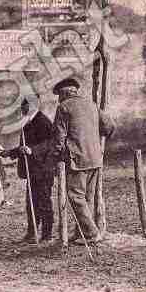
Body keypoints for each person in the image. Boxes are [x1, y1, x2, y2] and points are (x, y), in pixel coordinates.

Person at [49, 77, 115, 245]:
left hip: (77, 160)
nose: (58, 99)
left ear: (64, 94)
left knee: (75, 196)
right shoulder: (92, 105)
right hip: (95, 159)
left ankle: (92, 233)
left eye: (59, 95)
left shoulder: (63, 107)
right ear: (75, 91)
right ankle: (82, 233)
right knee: (87, 197)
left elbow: (59, 138)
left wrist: (55, 157)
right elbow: (109, 127)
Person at [2, 98, 55, 242]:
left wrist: (33, 150)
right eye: (22, 107)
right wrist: (9, 153)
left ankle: (46, 235)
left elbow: (51, 143)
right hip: (33, 170)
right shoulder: (28, 122)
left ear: (32, 107)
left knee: (43, 202)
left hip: (44, 169)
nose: (22, 110)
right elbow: (24, 148)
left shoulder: (42, 121)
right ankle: (32, 233)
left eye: (24, 107)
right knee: (31, 202)